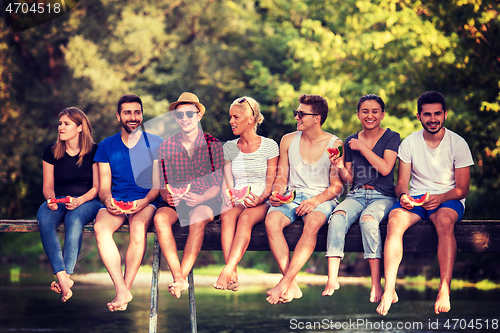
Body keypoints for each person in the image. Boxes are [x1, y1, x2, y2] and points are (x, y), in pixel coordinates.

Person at [376, 91, 474, 316]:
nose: (433, 119)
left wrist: (441, 198)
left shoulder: (458, 143)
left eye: (437, 113)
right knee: (394, 219)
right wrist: (403, 196)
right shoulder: (409, 142)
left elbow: (462, 189)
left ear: (445, 115)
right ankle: (390, 288)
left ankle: (444, 288)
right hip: (417, 199)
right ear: (419, 116)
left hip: (449, 199)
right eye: (427, 114)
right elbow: (401, 183)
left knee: (445, 221)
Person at [265, 94, 344, 304]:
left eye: (301, 114)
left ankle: (284, 283)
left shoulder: (334, 143)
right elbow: (282, 176)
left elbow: (337, 186)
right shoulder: (288, 140)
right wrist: (277, 192)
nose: (296, 117)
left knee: (313, 222)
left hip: (322, 198)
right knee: (271, 221)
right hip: (291, 196)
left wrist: (315, 201)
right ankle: (292, 284)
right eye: (296, 113)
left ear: (316, 118)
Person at [322, 94, 400, 302]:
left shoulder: (392, 137)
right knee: (337, 216)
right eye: (365, 111)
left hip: (383, 196)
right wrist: (339, 166)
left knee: (368, 221)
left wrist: (363, 148)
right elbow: (349, 179)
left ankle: (375, 283)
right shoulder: (350, 141)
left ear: (382, 114)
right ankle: (332, 278)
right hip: (356, 194)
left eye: (375, 111)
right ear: (358, 114)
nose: (370, 115)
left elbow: (385, 169)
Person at [93, 94, 164, 311]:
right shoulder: (106, 146)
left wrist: (143, 202)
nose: (133, 117)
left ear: (141, 115)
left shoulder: (156, 143)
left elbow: (157, 186)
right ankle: (121, 289)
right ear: (118, 116)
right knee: (100, 228)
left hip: (147, 201)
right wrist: (108, 201)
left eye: (137, 112)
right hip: (116, 201)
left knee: (138, 227)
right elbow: (104, 187)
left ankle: (126, 288)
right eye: (127, 112)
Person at [154, 92, 224, 298]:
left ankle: (180, 277)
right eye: (180, 114)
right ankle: (178, 277)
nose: (185, 118)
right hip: (178, 203)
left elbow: (219, 184)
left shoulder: (213, 144)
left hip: (207, 199)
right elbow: (162, 185)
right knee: (160, 218)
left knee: (197, 217)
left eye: (189, 114)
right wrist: (167, 196)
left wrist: (202, 198)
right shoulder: (166, 146)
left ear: (199, 116)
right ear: (175, 118)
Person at [213, 96, 279, 291]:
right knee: (226, 216)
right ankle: (233, 275)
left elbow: (270, 183)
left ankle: (227, 270)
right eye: (230, 117)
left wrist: (261, 198)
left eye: (236, 117)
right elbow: (227, 181)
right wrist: (228, 194)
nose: (231, 121)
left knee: (245, 219)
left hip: (261, 200)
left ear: (250, 119)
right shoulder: (229, 147)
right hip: (237, 198)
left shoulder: (269, 146)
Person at [37, 107, 101, 303]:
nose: (61, 127)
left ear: (80, 127)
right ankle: (62, 277)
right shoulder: (50, 151)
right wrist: (51, 199)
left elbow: (97, 188)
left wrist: (80, 200)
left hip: (88, 200)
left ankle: (67, 275)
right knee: (44, 219)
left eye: (66, 124)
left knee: (74, 219)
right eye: (60, 123)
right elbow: (48, 186)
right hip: (59, 199)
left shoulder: (94, 150)